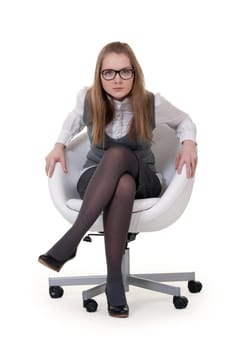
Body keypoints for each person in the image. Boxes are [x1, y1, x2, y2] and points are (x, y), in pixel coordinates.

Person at [38, 41, 197, 318]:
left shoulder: (151, 102)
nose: (117, 79)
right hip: (95, 178)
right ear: (99, 75)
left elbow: (185, 121)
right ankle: (114, 283)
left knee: (119, 154)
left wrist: (188, 143)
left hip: (144, 179)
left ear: (135, 73)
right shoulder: (87, 99)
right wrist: (59, 145)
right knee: (121, 182)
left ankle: (71, 240)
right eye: (109, 72)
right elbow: (71, 123)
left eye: (125, 72)